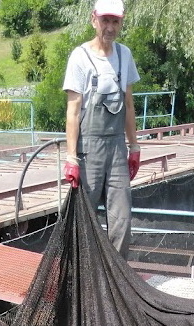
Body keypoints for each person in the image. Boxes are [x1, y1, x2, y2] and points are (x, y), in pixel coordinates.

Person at [62, 0, 140, 259]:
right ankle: (83, 280)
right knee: (84, 220)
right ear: (93, 19)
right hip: (88, 150)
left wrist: (134, 146)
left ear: (121, 22)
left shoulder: (124, 55)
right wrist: (71, 159)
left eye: (115, 21)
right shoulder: (80, 57)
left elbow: (128, 104)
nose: (109, 27)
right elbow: (73, 111)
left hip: (117, 147)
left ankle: (116, 282)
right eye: (105, 20)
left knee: (122, 220)